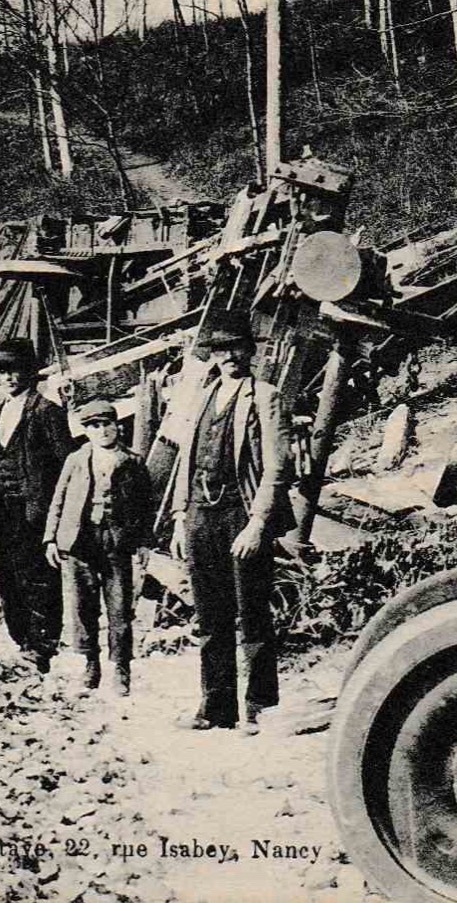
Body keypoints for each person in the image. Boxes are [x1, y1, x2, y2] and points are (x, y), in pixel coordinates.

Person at [166, 312, 294, 730]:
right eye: (222, 350)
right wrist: (180, 516)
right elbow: (184, 460)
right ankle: (215, 707)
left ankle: (259, 705)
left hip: (241, 513)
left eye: (237, 348)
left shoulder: (265, 396)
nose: (230, 357)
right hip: (201, 515)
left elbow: (277, 466)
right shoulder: (201, 396)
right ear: (213, 356)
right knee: (210, 615)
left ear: (249, 351)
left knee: (252, 612)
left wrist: (258, 523)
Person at [0, 337, 75, 673]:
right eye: (3, 371)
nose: (9, 378)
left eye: (15, 370)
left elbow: (67, 466)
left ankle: (41, 648)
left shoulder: (47, 412)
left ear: (30, 373)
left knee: (38, 580)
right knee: (9, 579)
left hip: (36, 512)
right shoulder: (0, 412)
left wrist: (58, 517)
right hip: (5, 510)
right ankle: (21, 641)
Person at [45, 400, 151, 696]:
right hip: (80, 540)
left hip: (117, 543)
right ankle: (90, 664)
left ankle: (121, 668)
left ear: (117, 426)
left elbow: (146, 506)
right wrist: (51, 538)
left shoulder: (133, 461)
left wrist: (143, 541)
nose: (102, 431)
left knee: (119, 608)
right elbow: (58, 499)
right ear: (86, 431)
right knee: (82, 607)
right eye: (94, 426)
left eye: (106, 424)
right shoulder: (76, 460)